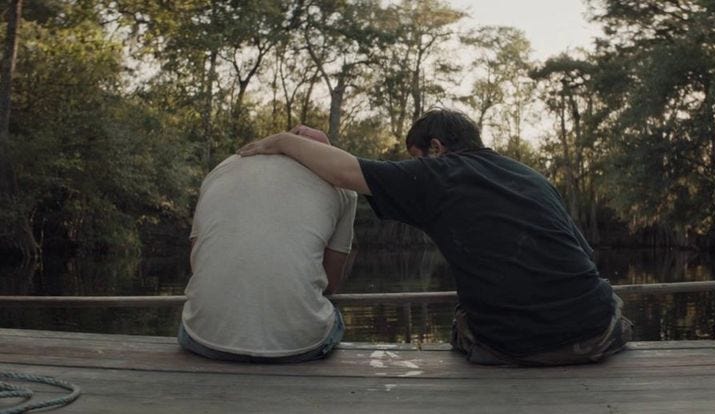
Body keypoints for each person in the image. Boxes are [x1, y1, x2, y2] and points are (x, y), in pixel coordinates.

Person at [237, 109, 632, 366]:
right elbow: (584, 256)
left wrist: (284, 141)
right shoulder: (532, 177)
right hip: (597, 332)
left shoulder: (436, 174)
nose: (412, 167)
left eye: (414, 156)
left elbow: (345, 173)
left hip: (513, 346)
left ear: (436, 148)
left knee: (463, 320)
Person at [179, 127, 357, 363]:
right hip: (300, 348)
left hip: (202, 340)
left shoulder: (220, 170)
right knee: (333, 318)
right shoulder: (341, 183)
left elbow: (197, 261)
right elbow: (331, 283)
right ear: (325, 155)